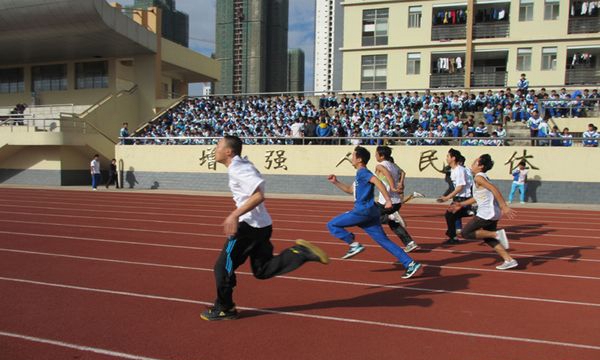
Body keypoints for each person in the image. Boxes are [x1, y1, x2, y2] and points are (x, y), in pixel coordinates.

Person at [201, 136, 329, 321]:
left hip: (247, 227)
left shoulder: (238, 168)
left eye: (218, 146)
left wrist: (234, 215)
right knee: (262, 270)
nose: (215, 149)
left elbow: (259, 195)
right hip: (262, 226)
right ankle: (299, 252)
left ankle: (225, 308)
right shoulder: (240, 165)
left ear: (228, 151)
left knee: (222, 268)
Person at [326, 146, 421, 279]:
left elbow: (377, 181)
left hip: (362, 211)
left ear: (359, 159)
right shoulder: (360, 175)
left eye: (353, 156)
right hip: (371, 214)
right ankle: (410, 263)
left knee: (332, 225)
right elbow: (349, 190)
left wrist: (388, 199)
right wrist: (336, 182)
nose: (351, 158)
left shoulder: (363, 172)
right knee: (384, 241)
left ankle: (354, 245)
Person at [449, 154, 518, 270]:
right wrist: (461, 204)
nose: (472, 164)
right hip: (492, 213)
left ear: (481, 166)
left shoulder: (478, 178)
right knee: (488, 239)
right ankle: (509, 260)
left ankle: (496, 234)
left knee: (466, 233)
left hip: (486, 214)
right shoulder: (482, 177)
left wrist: (504, 206)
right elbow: (477, 197)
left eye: (475, 162)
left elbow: (494, 189)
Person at [374, 146, 419, 253]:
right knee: (394, 224)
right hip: (396, 201)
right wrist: (401, 183)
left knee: (372, 217)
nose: (375, 155)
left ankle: (391, 216)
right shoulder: (393, 165)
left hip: (386, 201)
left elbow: (386, 173)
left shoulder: (380, 165)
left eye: (376, 154)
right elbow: (403, 172)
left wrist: (393, 187)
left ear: (382, 155)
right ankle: (409, 243)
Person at [437, 149, 472, 245]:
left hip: (462, 198)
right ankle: (453, 236)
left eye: (448, 156)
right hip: (458, 198)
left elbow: (459, 187)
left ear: (453, 158)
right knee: (451, 216)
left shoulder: (459, 170)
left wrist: (447, 197)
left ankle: (473, 211)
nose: (446, 158)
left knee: (450, 215)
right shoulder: (453, 170)